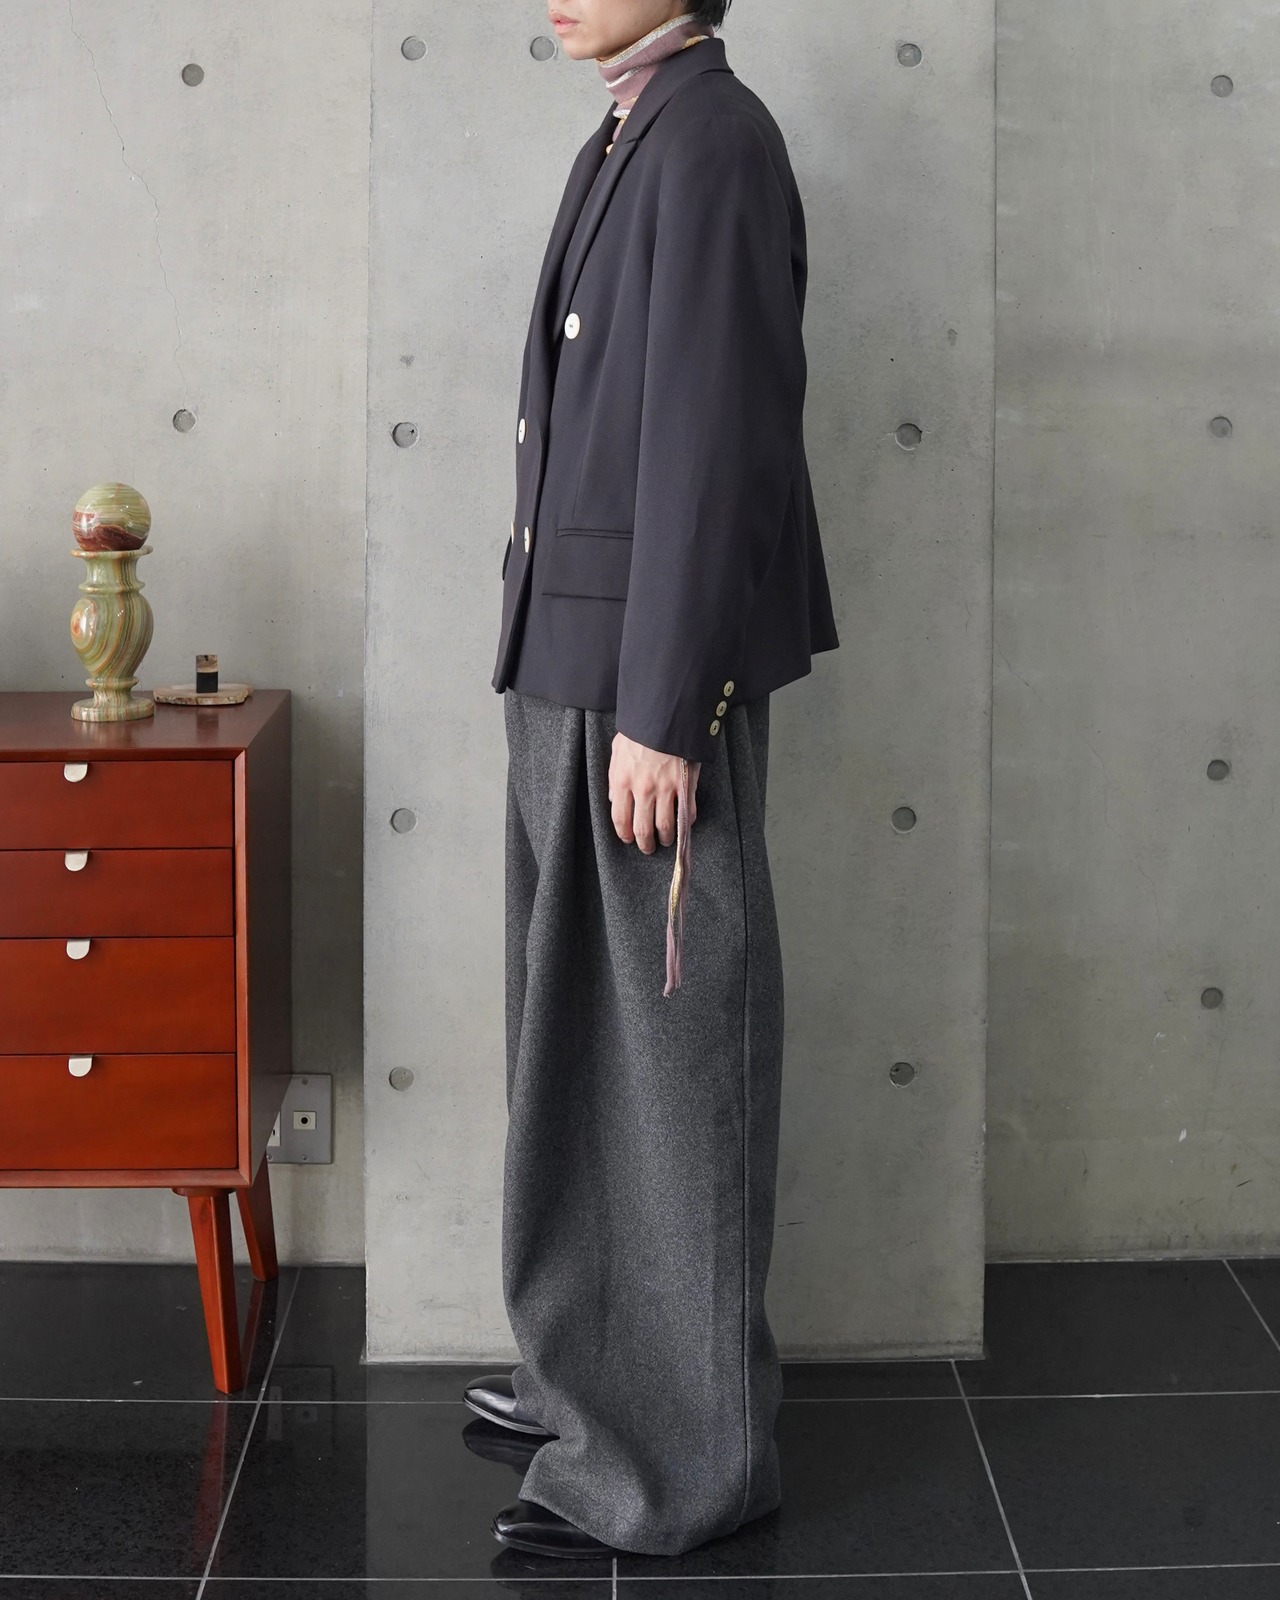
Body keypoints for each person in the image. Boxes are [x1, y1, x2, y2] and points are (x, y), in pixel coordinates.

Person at [470, 0, 840, 1560]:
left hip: (640, 683)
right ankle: (588, 1382)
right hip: (571, 659)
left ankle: (687, 1465)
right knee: (576, 1056)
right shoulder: (633, 126)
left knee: (670, 1069)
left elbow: (716, 440)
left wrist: (666, 710)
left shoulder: (716, 142)